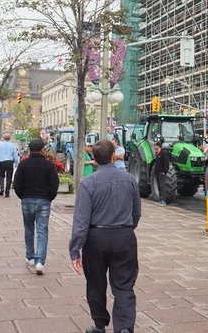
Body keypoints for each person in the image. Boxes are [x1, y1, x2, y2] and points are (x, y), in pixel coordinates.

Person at [69, 139, 141, 333]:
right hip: (124, 235)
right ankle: (125, 328)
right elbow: (136, 213)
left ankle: (100, 325)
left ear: (94, 158)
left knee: (96, 284)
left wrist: (75, 249)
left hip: (96, 237)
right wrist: (126, 229)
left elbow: (81, 220)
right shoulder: (129, 180)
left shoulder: (88, 183)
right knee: (124, 285)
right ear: (112, 156)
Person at [13, 139, 59, 275]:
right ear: (42, 150)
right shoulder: (49, 165)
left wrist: (23, 196)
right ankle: (40, 261)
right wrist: (49, 197)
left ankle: (30, 256)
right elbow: (54, 185)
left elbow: (17, 184)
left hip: (27, 200)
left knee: (29, 229)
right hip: (43, 200)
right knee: (42, 230)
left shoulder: (23, 164)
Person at [153, 141, 169, 206]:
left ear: (158, 146)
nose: (154, 146)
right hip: (157, 172)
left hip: (161, 173)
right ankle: (160, 199)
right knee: (159, 186)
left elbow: (166, 163)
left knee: (162, 186)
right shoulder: (157, 153)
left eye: (155, 145)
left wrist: (164, 172)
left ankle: (163, 200)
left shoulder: (163, 153)